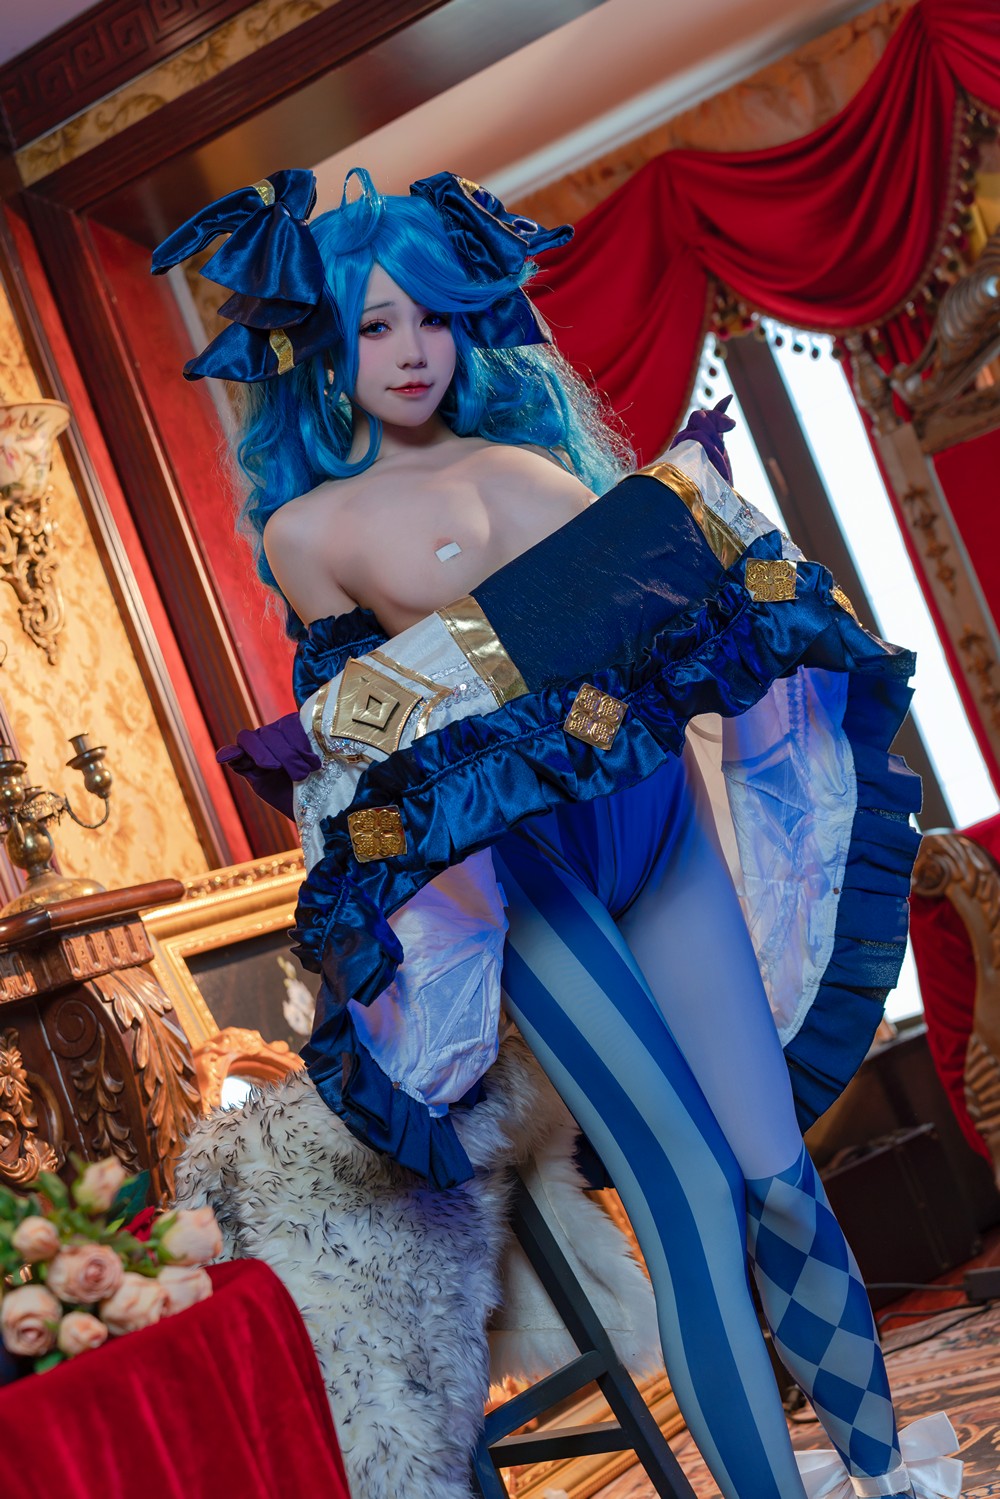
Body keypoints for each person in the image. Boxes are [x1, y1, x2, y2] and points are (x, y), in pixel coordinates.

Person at [153, 168, 962, 1499]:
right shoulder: (308, 531)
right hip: (534, 879)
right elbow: (364, 736)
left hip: (660, 828)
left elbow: (669, 628)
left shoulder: (535, 463)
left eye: (432, 316)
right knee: (685, 1199)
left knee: (777, 1177)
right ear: (323, 347)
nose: (411, 351)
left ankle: (888, 1481)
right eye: (374, 325)